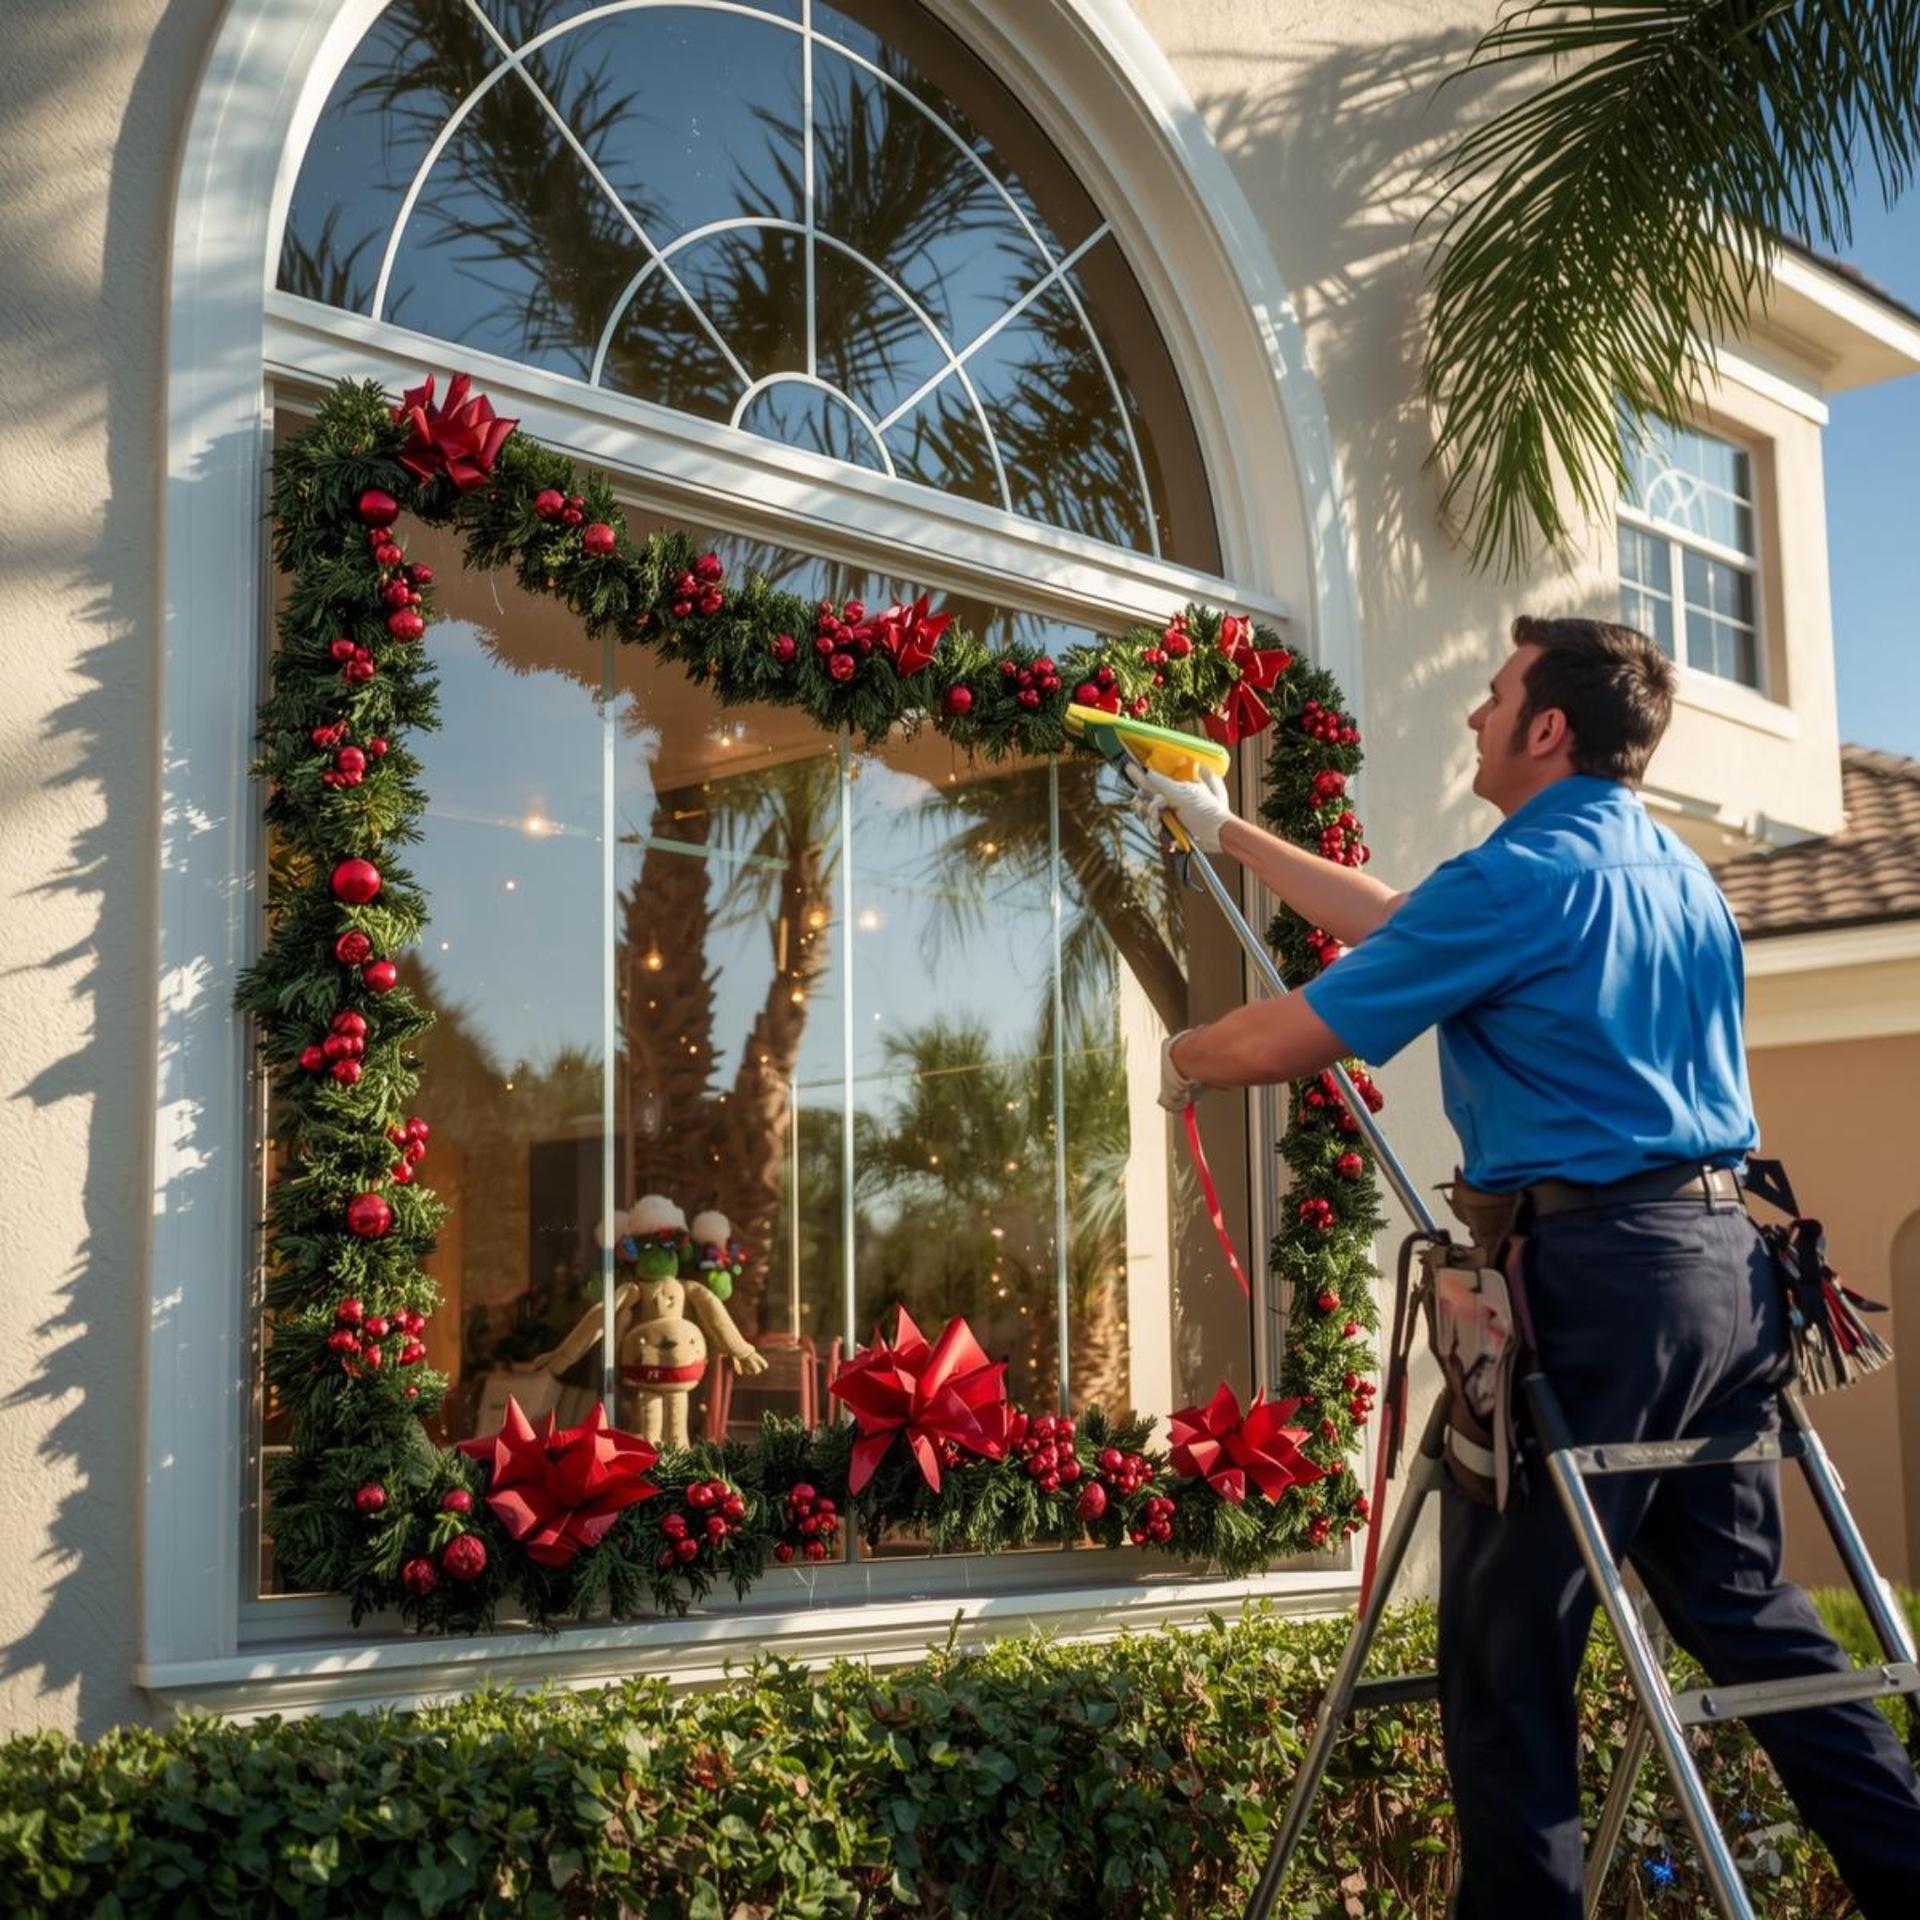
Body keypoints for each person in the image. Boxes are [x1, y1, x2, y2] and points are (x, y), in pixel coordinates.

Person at [1137, 616, 1920, 1917]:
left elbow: (1301, 1031)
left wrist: (1181, 1056)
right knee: (1746, 1613)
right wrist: (1222, 830)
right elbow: (1407, 921)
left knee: (1507, 1655)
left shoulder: (1517, 880)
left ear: (1545, 727)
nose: (1473, 715)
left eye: (1493, 696)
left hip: (1593, 1282)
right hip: (1728, 1279)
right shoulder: (1671, 874)